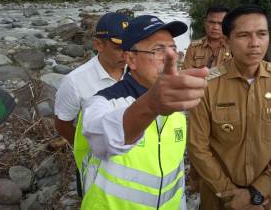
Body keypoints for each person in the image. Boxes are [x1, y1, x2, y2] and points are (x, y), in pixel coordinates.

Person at [81, 15, 208, 209]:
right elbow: (102, 140)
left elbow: (176, 171)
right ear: (131, 59)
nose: (168, 57)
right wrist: (151, 105)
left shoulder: (176, 107)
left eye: (173, 48)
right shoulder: (102, 102)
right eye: (158, 50)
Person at [188, 5, 271, 210]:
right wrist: (230, 195)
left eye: (261, 34)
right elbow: (198, 147)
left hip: (268, 200)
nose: (254, 44)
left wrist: (257, 192)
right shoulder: (208, 85)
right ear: (226, 41)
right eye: (243, 35)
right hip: (218, 200)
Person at [54, 12, 130, 195]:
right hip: (97, 164)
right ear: (98, 44)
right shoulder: (75, 82)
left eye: (131, 46)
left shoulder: (137, 72)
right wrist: (90, 146)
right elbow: (62, 123)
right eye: (119, 47)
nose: (127, 54)